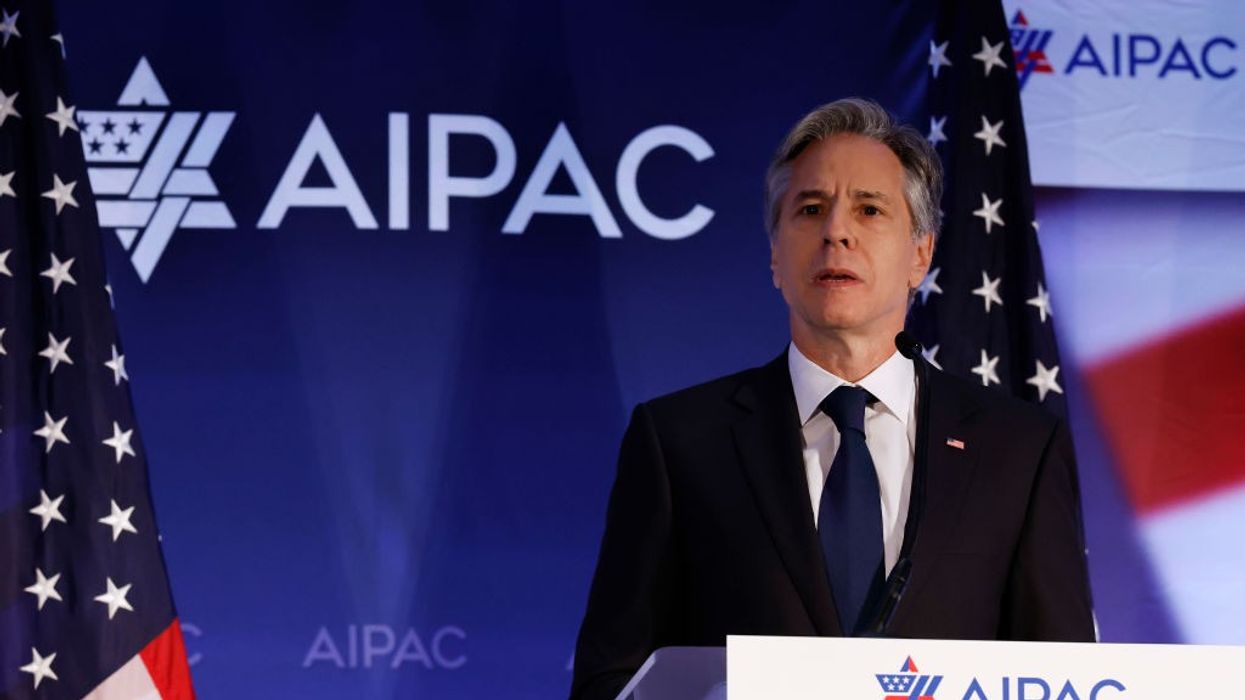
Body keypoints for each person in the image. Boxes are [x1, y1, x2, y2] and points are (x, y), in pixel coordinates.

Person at [570, 98, 1095, 699]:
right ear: (774, 255)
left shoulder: (1020, 450)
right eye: (810, 209)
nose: (835, 232)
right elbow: (609, 680)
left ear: (920, 254)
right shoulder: (680, 441)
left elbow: (1065, 681)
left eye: (869, 210)